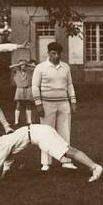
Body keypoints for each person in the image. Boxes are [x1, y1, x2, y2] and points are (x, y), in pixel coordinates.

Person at [0, 124, 103, 183]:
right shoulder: (7, 141)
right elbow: (8, 159)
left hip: (39, 135)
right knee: (69, 150)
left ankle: (95, 167)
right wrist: (3, 176)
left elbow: (0, 159)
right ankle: (94, 166)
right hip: (42, 130)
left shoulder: (4, 142)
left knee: (67, 152)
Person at [32, 42, 77, 172]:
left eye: (58, 53)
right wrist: (38, 104)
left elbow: (69, 85)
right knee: (46, 133)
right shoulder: (40, 68)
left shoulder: (65, 67)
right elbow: (35, 87)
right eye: (53, 53)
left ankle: (66, 161)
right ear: (48, 53)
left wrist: (73, 101)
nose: (56, 56)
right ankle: (46, 163)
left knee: (65, 131)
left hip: (63, 103)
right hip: (46, 104)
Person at [10, 59, 36, 125]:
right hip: (19, 89)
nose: (23, 66)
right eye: (21, 65)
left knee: (28, 104)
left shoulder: (29, 71)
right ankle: (16, 121)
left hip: (28, 89)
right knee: (18, 105)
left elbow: (35, 66)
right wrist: (19, 64)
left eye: (24, 65)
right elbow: (10, 67)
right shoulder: (16, 71)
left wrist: (26, 64)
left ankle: (29, 121)